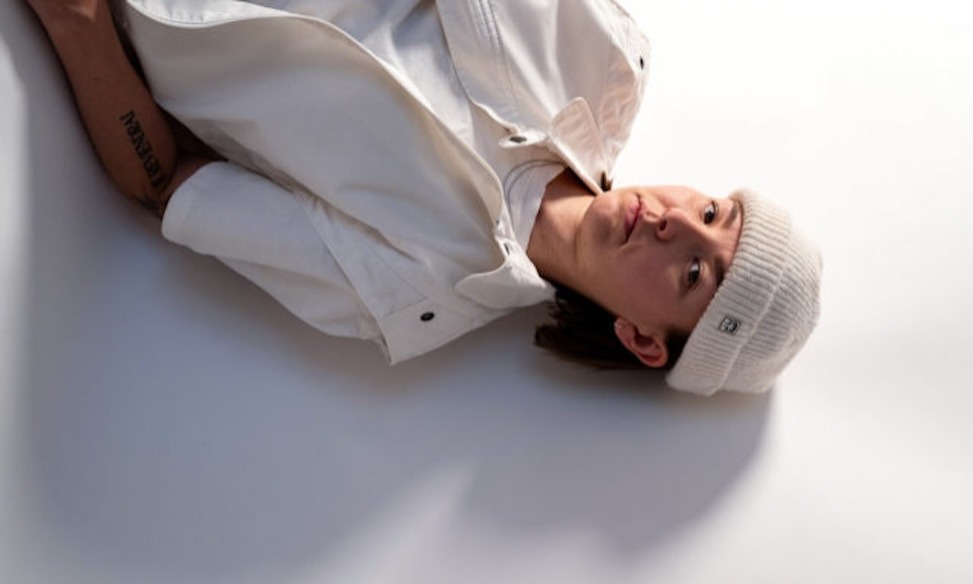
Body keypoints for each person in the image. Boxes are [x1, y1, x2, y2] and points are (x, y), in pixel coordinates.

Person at [25, 0, 822, 396]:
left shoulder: (413, 292)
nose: (676, 222)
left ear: (644, 340)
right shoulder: (603, 56)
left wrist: (76, 22)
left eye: (693, 273)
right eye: (712, 213)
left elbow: (166, 182)